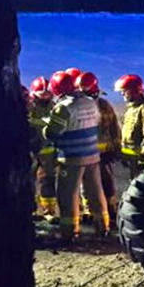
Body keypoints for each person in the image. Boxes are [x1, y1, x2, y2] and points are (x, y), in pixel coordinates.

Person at [43, 70, 110, 241]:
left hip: (72, 158)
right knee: (95, 191)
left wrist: (45, 127)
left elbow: (52, 133)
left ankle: (70, 232)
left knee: (68, 195)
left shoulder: (63, 108)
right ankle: (103, 227)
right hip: (92, 155)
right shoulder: (90, 102)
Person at [77, 71, 122, 224]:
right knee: (87, 184)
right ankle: (91, 211)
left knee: (106, 182)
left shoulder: (103, 106)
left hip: (102, 154)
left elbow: (114, 128)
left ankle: (110, 210)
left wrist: (115, 148)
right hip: (89, 153)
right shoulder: (82, 106)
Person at [115, 74, 144, 176]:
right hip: (134, 159)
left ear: (134, 91)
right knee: (136, 187)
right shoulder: (131, 109)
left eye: (125, 90)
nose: (122, 93)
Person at [28, 76, 59, 220]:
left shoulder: (54, 107)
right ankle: (30, 209)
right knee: (28, 179)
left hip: (48, 151)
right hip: (31, 149)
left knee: (47, 180)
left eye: (48, 93)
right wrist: (42, 123)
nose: (46, 96)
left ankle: (49, 211)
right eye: (43, 94)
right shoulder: (29, 106)